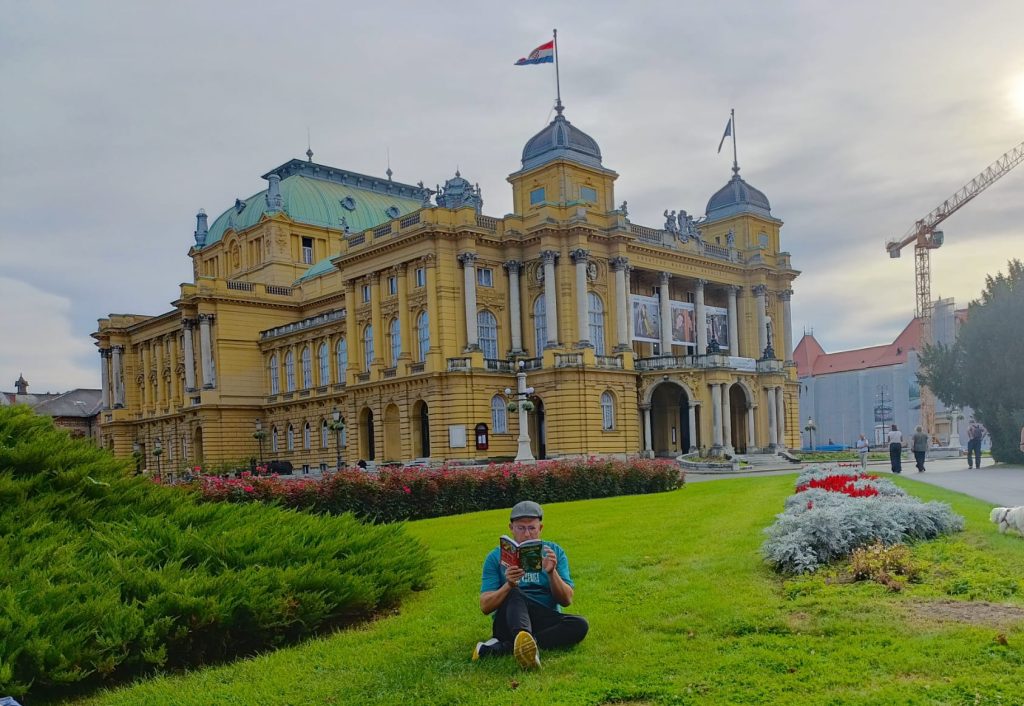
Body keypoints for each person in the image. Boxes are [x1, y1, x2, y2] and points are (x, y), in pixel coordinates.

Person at [473, 500, 588, 669]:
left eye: (532, 528)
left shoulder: (554, 552)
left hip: (544, 616)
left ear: (540, 528)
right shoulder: (495, 557)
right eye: (521, 528)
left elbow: (566, 600)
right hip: (508, 620)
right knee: (515, 592)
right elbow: (485, 606)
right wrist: (508, 585)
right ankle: (522, 638)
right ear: (511, 528)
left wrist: (551, 573)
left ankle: (505, 647)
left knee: (579, 624)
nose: (527, 534)